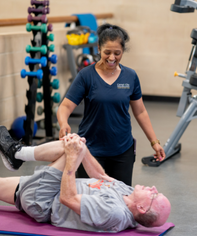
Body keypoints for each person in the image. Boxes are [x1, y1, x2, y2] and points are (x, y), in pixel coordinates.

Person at [0, 126, 171, 233]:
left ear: (141, 208)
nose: (152, 187)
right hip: (50, 192)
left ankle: (16, 154)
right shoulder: (127, 191)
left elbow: (68, 198)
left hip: (45, 202)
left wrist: (73, 158)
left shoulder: (115, 213)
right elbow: (100, 175)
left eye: (154, 194)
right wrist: (83, 150)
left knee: (69, 148)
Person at [57, 23, 166, 185]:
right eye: (107, 52)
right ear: (99, 49)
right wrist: (63, 122)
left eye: (117, 53)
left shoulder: (130, 76)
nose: (112, 58)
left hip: (122, 151)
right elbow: (65, 106)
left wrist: (154, 142)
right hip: (90, 150)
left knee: (121, 201)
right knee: (90, 201)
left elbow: (140, 112)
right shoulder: (86, 76)